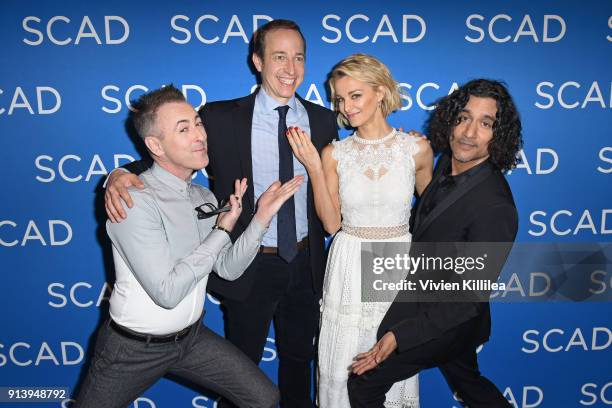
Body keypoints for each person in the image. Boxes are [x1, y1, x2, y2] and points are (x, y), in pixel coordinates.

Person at [103, 20, 338, 407]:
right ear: (258, 61)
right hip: (246, 263)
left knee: (299, 362)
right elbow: (167, 150)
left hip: (306, 263)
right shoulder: (220, 116)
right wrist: (119, 174)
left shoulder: (323, 120)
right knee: (240, 374)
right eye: (279, 56)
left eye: (298, 58)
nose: (290, 68)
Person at [74, 85, 305, 408]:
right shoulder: (133, 201)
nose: (200, 135)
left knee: (264, 398)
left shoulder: (203, 197)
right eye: (184, 129)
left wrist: (260, 218)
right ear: (155, 145)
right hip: (131, 349)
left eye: (197, 122)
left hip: (192, 339)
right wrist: (223, 229)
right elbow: (167, 292)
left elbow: (227, 268)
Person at [347, 79, 523, 408]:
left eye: (485, 123)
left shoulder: (495, 206)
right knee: (468, 382)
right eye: (464, 118)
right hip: (429, 304)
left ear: (499, 134)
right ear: (450, 119)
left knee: (364, 382)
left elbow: (468, 299)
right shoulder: (447, 163)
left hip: (449, 321)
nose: (470, 133)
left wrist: (401, 336)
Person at [286, 53, 432, 407]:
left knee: (390, 358)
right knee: (343, 364)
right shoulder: (335, 154)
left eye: (355, 96)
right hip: (350, 260)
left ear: (380, 92)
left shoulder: (417, 149)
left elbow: (433, 218)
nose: (346, 107)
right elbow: (332, 224)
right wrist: (315, 169)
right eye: (340, 98)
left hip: (396, 263)